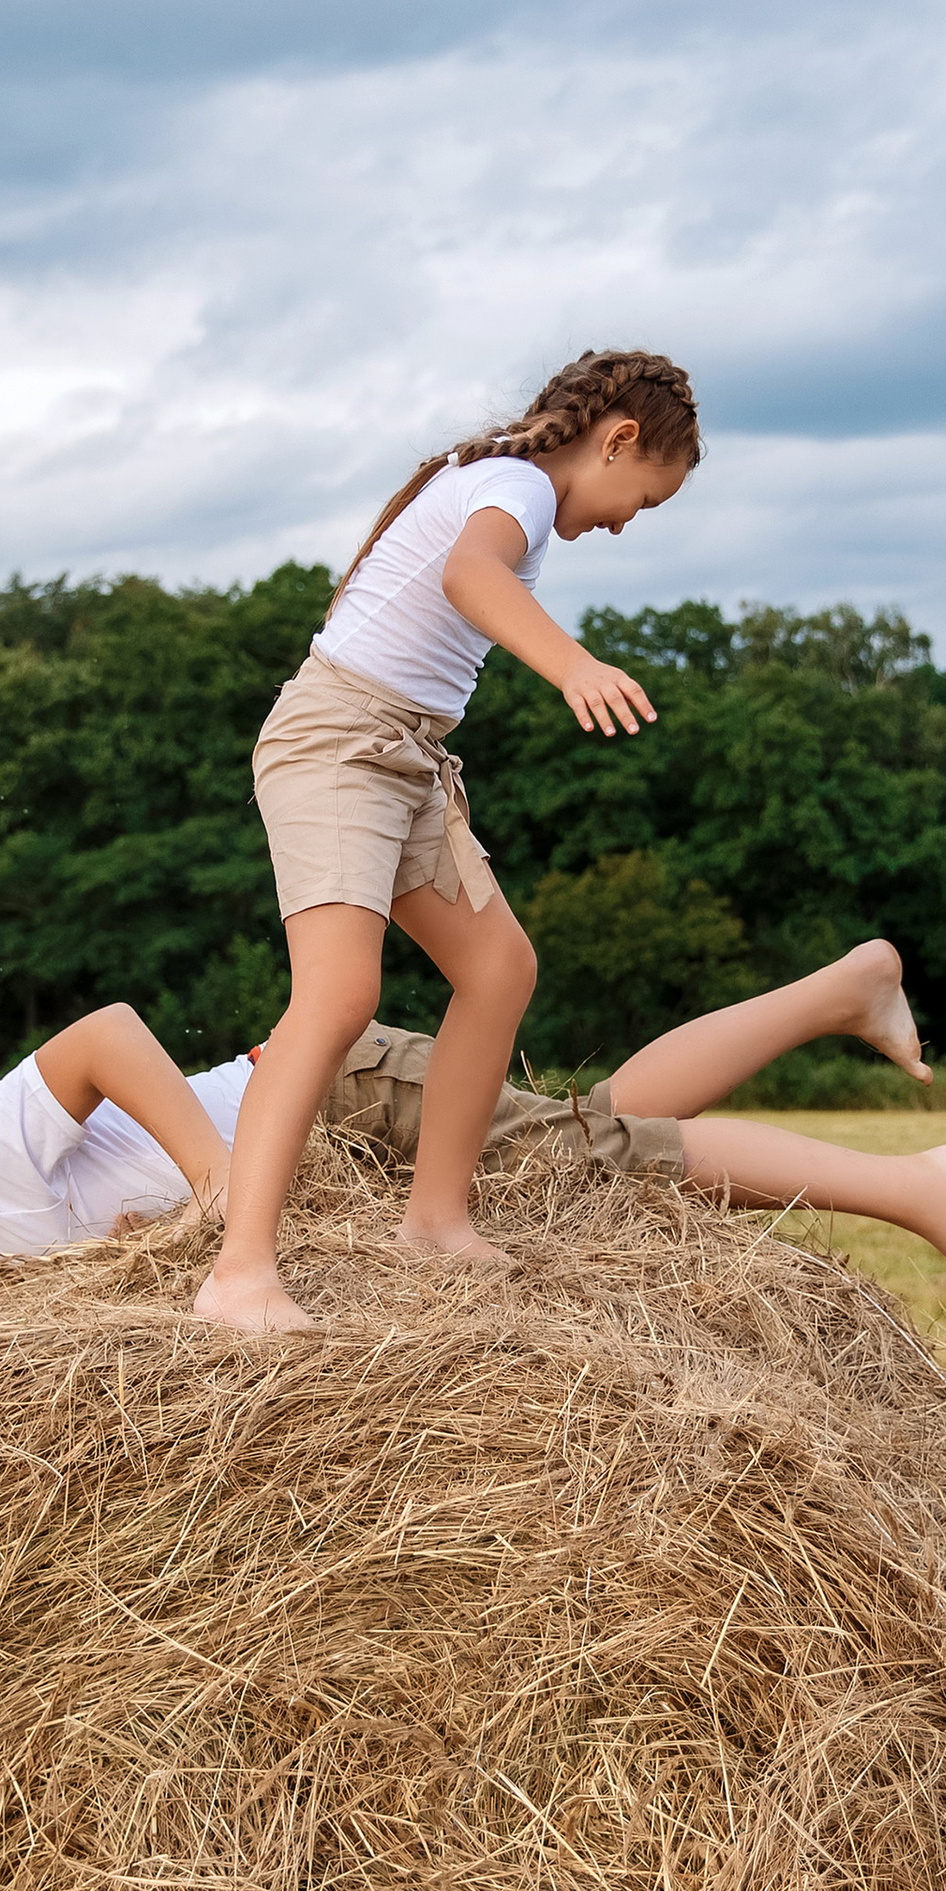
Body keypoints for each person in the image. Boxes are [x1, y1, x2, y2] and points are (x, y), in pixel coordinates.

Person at [194, 350, 704, 1337]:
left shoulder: (499, 484)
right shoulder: (509, 484)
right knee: (339, 996)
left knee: (499, 969)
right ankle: (238, 1272)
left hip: (406, 754)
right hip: (339, 742)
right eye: (642, 497)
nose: (628, 522)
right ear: (618, 440)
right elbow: (470, 575)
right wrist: (571, 664)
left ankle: (433, 1221)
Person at [0, 937, 946, 1321]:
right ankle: (840, 993)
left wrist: (220, 1189)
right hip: (328, 1129)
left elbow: (103, 1029)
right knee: (603, 1140)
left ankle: (917, 1182)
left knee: (610, 1167)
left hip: (334, 1099)